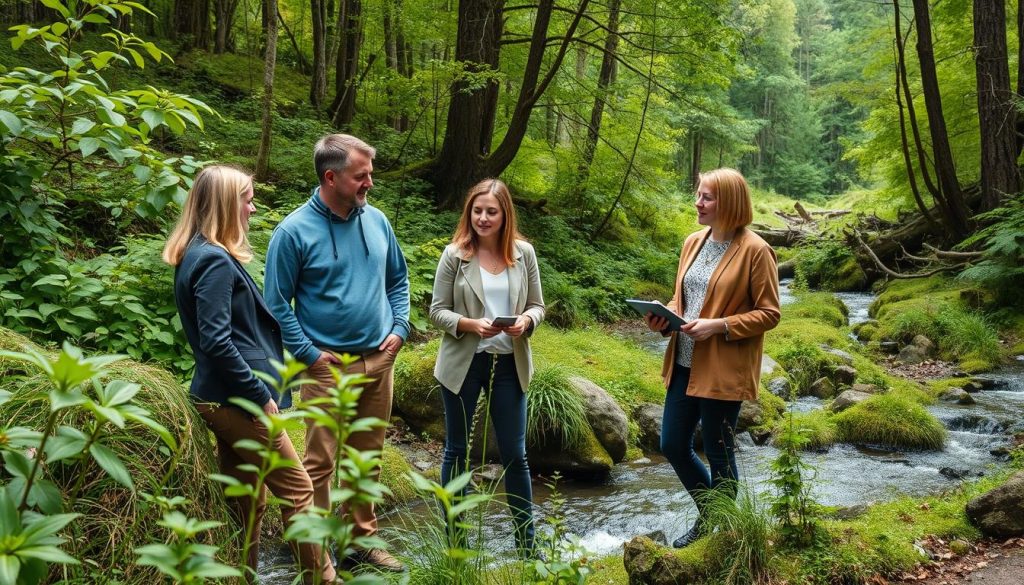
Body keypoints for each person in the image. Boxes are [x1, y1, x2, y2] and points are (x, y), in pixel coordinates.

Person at [163, 165, 336, 583]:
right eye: (247, 198)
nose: (253, 208)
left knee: (247, 499)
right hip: (235, 400)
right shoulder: (214, 260)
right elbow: (217, 341)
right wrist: (258, 394)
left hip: (218, 397)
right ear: (225, 204)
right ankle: (325, 579)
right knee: (298, 489)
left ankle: (240, 577)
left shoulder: (198, 252)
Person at [264, 134, 409, 572]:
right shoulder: (293, 232)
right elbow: (275, 304)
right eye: (361, 175)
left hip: (378, 361)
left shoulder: (378, 221)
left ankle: (360, 541)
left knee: (367, 457)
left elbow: (398, 281)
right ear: (331, 177)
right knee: (320, 462)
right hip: (326, 368)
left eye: (370, 173)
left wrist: (400, 329)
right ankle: (320, 548)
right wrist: (308, 354)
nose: (370, 182)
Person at [644, 168, 780, 549]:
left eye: (706, 197)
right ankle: (720, 516)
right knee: (671, 444)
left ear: (730, 203)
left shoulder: (756, 250)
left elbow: (770, 313)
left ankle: (717, 529)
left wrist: (718, 325)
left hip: (723, 368)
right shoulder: (693, 241)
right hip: (684, 362)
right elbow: (682, 299)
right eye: (698, 195)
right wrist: (665, 318)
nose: (697, 203)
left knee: (719, 452)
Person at [429, 178, 545, 556]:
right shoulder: (454, 255)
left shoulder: (524, 253)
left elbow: (537, 306)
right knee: (457, 451)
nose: (482, 218)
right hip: (464, 363)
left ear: (504, 214)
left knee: (515, 453)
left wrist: (525, 322)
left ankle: (527, 545)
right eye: (477, 211)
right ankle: (457, 544)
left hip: (510, 362)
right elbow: (436, 311)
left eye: (491, 211)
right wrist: (468, 324)